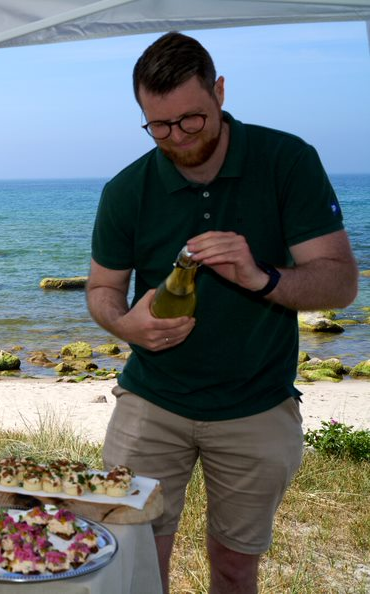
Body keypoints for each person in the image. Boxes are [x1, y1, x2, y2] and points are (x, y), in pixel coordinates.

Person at [86, 32, 358, 593]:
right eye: (159, 126)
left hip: (257, 404)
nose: (178, 139)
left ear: (220, 92)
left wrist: (262, 278)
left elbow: (340, 282)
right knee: (135, 560)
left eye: (192, 120)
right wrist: (125, 324)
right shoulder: (126, 189)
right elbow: (101, 290)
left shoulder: (286, 160)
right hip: (152, 403)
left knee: (236, 568)